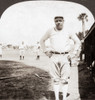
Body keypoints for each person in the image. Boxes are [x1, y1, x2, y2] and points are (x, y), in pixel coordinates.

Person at [40, 16, 81, 100]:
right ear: (54, 22)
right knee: (55, 79)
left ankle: (64, 99)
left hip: (65, 57)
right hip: (54, 56)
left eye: (60, 21)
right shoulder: (50, 31)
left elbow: (77, 41)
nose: (58, 22)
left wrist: (73, 53)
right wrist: (45, 51)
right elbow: (42, 40)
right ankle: (57, 98)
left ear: (63, 21)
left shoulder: (68, 31)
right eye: (56, 21)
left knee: (65, 79)